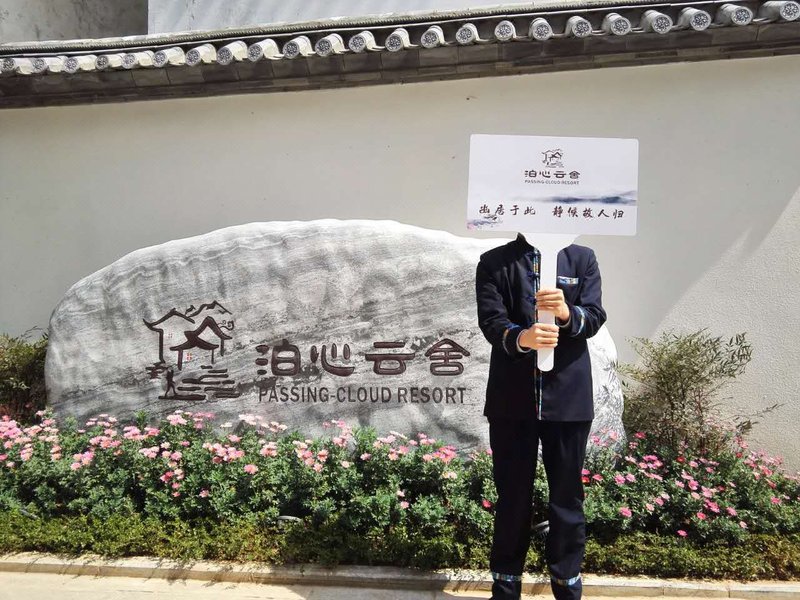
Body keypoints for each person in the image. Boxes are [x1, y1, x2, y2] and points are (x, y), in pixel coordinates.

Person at [475, 232, 606, 600]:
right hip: (511, 401)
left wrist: (566, 313)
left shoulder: (581, 258)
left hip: (568, 400)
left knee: (567, 497)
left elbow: (594, 316)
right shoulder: (494, 262)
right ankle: (505, 588)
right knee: (512, 497)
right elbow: (491, 321)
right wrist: (523, 338)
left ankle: (567, 587)